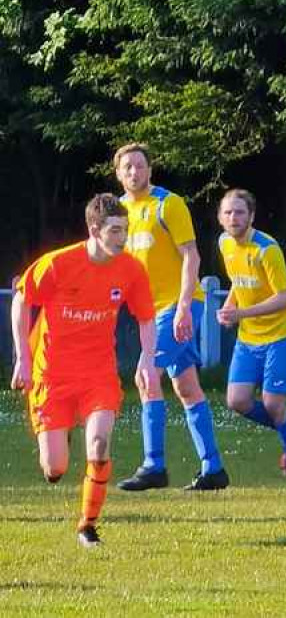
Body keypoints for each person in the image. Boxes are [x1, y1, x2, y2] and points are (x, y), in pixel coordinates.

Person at [11, 194, 158, 547]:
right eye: (115, 230)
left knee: (99, 444)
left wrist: (147, 359)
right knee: (55, 468)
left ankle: (87, 526)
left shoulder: (131, 269)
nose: (122, 238)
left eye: (125, 230)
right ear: (95, 229)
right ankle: (59, 444)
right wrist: (23, 358)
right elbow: (21, 300)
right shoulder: (58, 264)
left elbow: (147, 317)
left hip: (98, 373)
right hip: (51, 375)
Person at [113, 143, 228, 491]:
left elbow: (191, 256)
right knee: (187, 387)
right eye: (127, 167)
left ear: (150, 170)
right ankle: (213, 469)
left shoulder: (168, 204)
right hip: (149, 312)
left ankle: (154, 465)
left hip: (177, 306)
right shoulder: (117, 211)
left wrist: (182, 307)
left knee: (146, 376)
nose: (134, 172)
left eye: (139, 165)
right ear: (118, 173)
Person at [216, 189, 286, 474]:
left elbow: (284, 297)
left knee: (272, 403)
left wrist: (241, 313)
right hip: (249, 337)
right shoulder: (224, 243)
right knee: (237, 401)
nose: (234, 217)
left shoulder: (267, 249)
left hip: (280, 334)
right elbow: (238, 281)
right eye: (228, 212)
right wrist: (230, 307)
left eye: (240, 212)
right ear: (220, 217)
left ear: (251, 216)